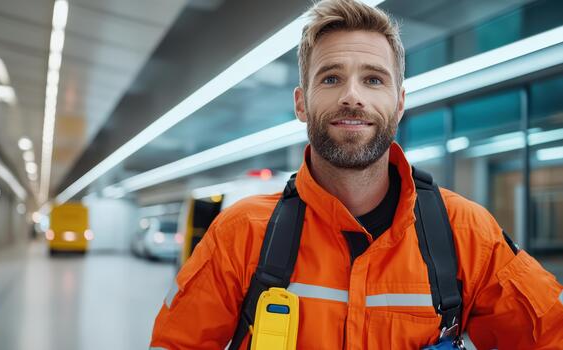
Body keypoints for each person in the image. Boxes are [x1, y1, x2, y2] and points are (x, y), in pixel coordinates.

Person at [150, 0, 563, 348]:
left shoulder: (467, 235)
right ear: (301, 103)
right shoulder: (240, 236)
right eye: (331, 78)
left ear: (399, 103)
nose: (352, 96)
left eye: (373, 79)